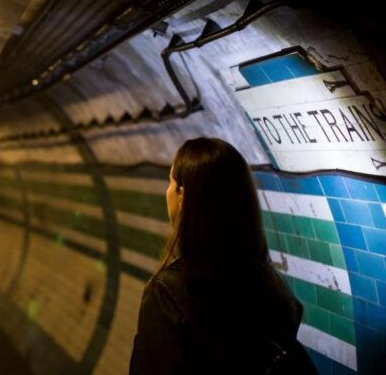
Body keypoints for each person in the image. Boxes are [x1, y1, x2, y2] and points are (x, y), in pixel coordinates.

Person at [129, 137, 316, 374]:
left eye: (170, 182)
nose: (167, 191)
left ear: (182, 195)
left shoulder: (168, 292)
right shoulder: (270, 283)